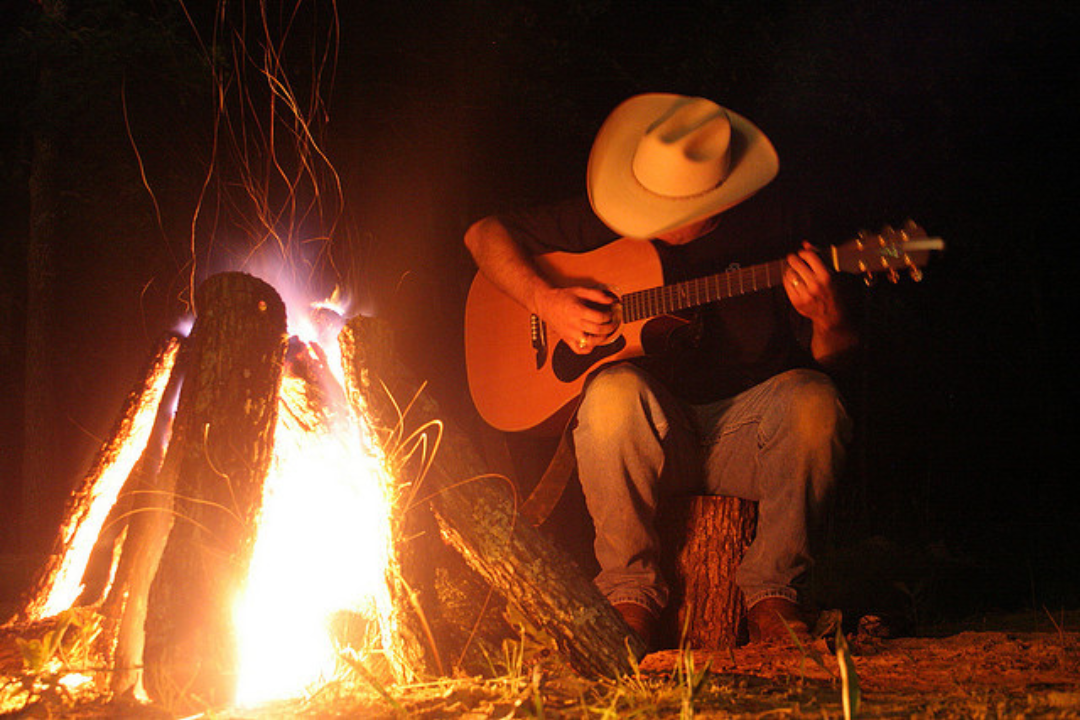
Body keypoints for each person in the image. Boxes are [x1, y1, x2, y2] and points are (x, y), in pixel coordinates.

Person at [464, 93, 857, 649]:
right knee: (612, 392)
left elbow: (834, 354)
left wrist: (828, 316)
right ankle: (629, 596)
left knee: (816, 399)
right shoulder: (610, 218)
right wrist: (547, 301)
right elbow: (482, 235)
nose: (641, 218)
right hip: (650, 440)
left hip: (747, 438)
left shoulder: (780, 226)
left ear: (713, 204)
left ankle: (774, 595)